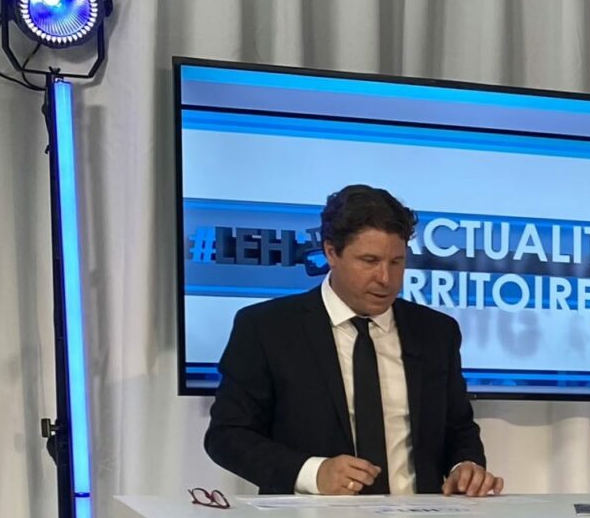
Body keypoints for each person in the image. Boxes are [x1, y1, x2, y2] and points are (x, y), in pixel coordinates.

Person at [204, 185, 502, 497]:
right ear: (331, 252)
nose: (385, 278)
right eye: (369, 260)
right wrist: (313, 473)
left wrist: (464, 466)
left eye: (396, 262)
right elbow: (227, 436)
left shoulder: (436, 332)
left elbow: (458, 429)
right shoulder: (267, 328)